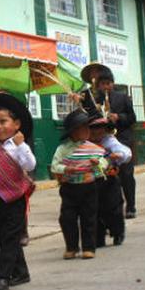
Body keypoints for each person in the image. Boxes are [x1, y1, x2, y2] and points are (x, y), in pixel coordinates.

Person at [0, 92, 36, 290]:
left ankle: (2, 277)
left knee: (10, 237)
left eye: (3, 122)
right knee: (4, 237)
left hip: (16, 199)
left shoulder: (18, 146)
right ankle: (21, 273)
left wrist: (21, 146)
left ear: (16, 124)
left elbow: (30, 164)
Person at [52, 109, 110, 259]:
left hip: (89, 187)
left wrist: (98, 163)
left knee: (89, 218)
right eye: (82, 127)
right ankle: (71, 247)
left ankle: (89, 248)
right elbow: (54, 166)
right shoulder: (62, 149)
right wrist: (66, 169)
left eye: (87, 127)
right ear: (73, 131)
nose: (86, 130)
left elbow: (104, 163)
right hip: (69, 189)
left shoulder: (93, 148)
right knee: (67, 218)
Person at [92, 68, 139, 219]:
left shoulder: (122, 97)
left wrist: (118, 117)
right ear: (98, 86)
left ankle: (131, 206)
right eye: (102, 84)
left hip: (123, 139)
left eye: (108, 83)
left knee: (126, 174)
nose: (106, 87)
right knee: (108, 176)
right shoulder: (94, 101)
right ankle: (112, 208)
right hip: (104, 141)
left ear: (113, 84)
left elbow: (132, 117)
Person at [88, 111, 131, 247]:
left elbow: (126, 152)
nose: (97, 132)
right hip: (91, 181)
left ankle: (118, 233)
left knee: (114, 208)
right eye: (93, 129)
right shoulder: (83, 143)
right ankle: (98, 237)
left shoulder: (109, 140)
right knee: (94, 210)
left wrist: (118, 155)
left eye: (100, 129)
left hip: (109, 180)